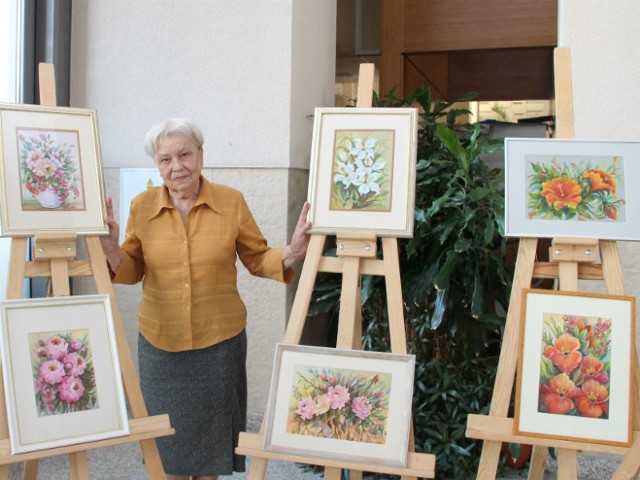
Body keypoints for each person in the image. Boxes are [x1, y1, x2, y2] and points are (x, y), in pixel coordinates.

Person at [99, 118, 311, 480]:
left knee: (211, 458)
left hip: (219, 345)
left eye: (184, 154)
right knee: (168, 457)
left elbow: (257, 258)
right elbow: (133, 269)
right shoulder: (141, 206)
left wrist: (292, 251)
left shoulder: (231, 202)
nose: (176, 166)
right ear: (158, 165)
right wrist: (110, 249)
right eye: (165, 159)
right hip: (160, 346)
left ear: (200, 154)